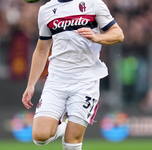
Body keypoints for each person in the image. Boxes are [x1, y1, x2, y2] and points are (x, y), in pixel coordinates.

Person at [22, 0, 124, 149]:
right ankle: (63, 127)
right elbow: (42, 49)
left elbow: (118, 34)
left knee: (72, 141)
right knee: (40, 136)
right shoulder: (46, 10)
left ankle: (69, 131)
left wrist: (97, 37)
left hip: (86, 80)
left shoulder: (93, 4)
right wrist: (31, 84)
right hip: (56, 80)